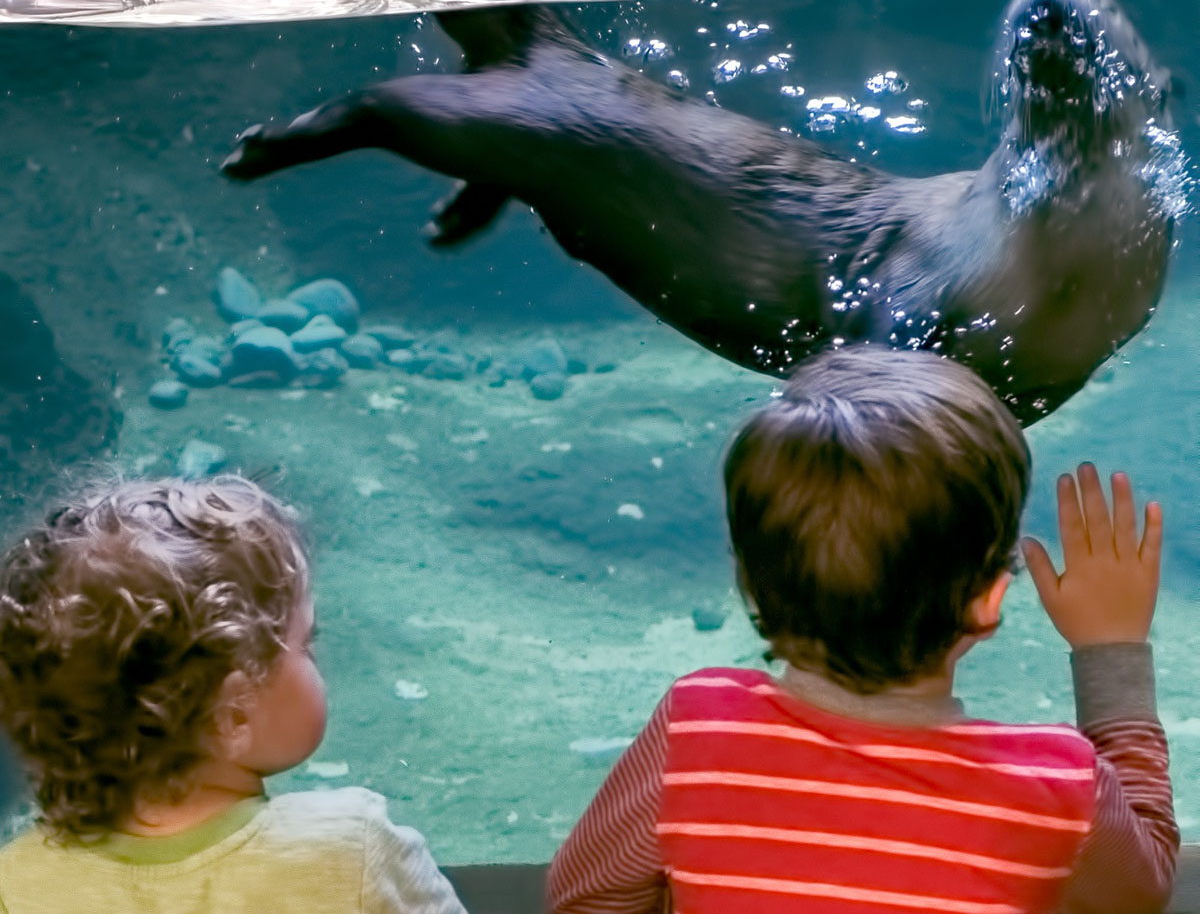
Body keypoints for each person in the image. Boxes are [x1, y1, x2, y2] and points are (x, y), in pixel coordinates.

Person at [547, 345, 1177, 914]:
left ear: (754, 582)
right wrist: (1110, 649)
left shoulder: (698, 726)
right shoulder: (1058, 786)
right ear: (990, 599)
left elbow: (585, 897)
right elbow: (1140, 890)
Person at [0, 476, 467, 914]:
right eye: (306, 643)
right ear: (234, 715)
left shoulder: (16, 883)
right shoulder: (352, 849)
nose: (316, 659)